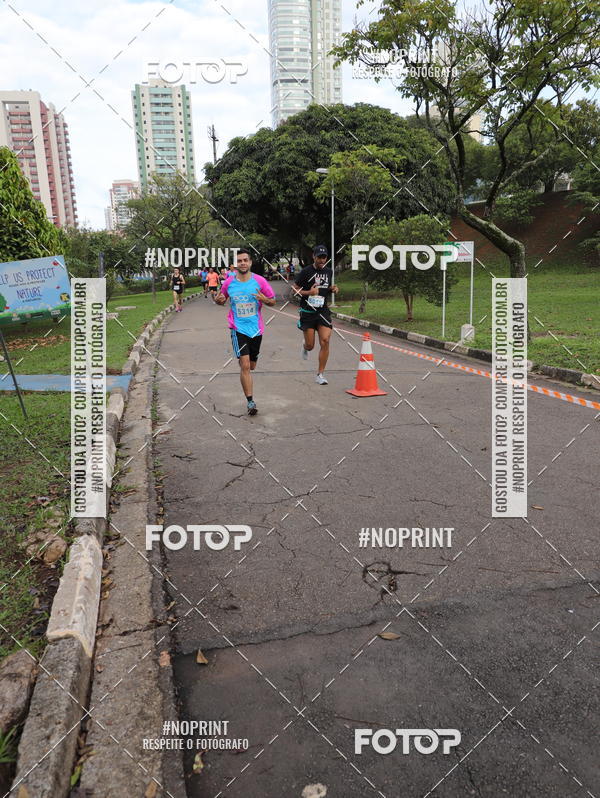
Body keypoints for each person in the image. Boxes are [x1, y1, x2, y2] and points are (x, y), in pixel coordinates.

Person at [214, 248, 276, 415]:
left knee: (252, 365)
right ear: (236, 264)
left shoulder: (260, 281)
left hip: (256, 329)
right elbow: (221, 299)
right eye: (239, 261)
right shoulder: (229, 282)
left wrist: (264, 299)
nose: (242, 263)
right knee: (245, 365)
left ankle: (245, 362)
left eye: (245, 260)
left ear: (250, 262)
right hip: (237, 328)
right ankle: (250, 402)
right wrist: (218, 300)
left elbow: (273, 301)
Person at [293, 244, 339, 385]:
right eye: (319, 257)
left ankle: (320, 374)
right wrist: (309, 293)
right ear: (313, 256)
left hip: (322, 311)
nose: (321, 260)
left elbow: (325, 288)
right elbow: (294, 290)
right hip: (307, 311)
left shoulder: (329, 271)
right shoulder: (306, 271)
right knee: (310, 345)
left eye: (324, 257)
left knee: (325, 341)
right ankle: (305, 345)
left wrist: (332, 289)